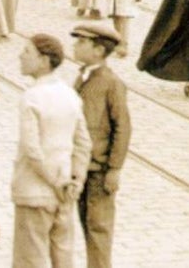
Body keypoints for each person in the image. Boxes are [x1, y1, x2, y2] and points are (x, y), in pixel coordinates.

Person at [12, 34, 91, 268]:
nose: (20, 56)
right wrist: (76, 179)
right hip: (65, 192)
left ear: (44, 61)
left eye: (27, 52)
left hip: (34, 192)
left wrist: (53, 182)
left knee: (30, 261)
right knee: (63, 258)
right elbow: (83, 143)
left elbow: (32, 151)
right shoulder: (70, 95)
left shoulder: (31, 98)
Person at [70, 23, 131, 268]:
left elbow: (123, 127)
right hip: (82, 166)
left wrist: (115, 168)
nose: (75, 46)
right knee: (86, 224)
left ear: (98, 50)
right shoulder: (82, 76)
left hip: (99, 170)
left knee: (99, 229)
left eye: (81, 43)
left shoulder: (110, 83)